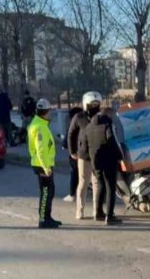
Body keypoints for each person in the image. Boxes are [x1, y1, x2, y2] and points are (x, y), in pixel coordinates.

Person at [79, 105, 123, 225]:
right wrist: (120, 156)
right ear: (108, 114)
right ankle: (110, 216)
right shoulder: (108, 125)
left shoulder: (88, 127)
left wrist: (91, 158)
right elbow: (112, 141)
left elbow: (84, 146)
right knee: (110, 187)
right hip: (109, 160)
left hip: (95, 161)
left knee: (100, 185)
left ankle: (98, 213)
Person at [67, 92, 102, 220]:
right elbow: (71, 134)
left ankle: (96, 210)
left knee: (97, 183)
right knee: (83, 182)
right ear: (85, 104)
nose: (94, 107)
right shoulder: (78, 117)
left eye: (96, 104)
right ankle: (79, 210)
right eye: (91, 104)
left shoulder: (100, 117)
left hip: (98, 155)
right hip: (84, 155)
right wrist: (72, 152)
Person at [29, 99, 61, 229]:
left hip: (43, 164)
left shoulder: (39, 123)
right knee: (46, 192)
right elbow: (41, 150)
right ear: (45, 112)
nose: (51, 114)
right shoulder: (40, 127)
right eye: (49, 111)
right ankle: (43, 220)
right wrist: (46, 168)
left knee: (49, 191)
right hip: (42, 165)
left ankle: (48, 217)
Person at [62, 107, 83, 203]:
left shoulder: (73, 124)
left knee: (74, 172)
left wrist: (65, 146)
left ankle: (72, 194)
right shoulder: (87, 122)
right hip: (88, 153)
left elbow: (67, 140)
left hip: (76, 154)